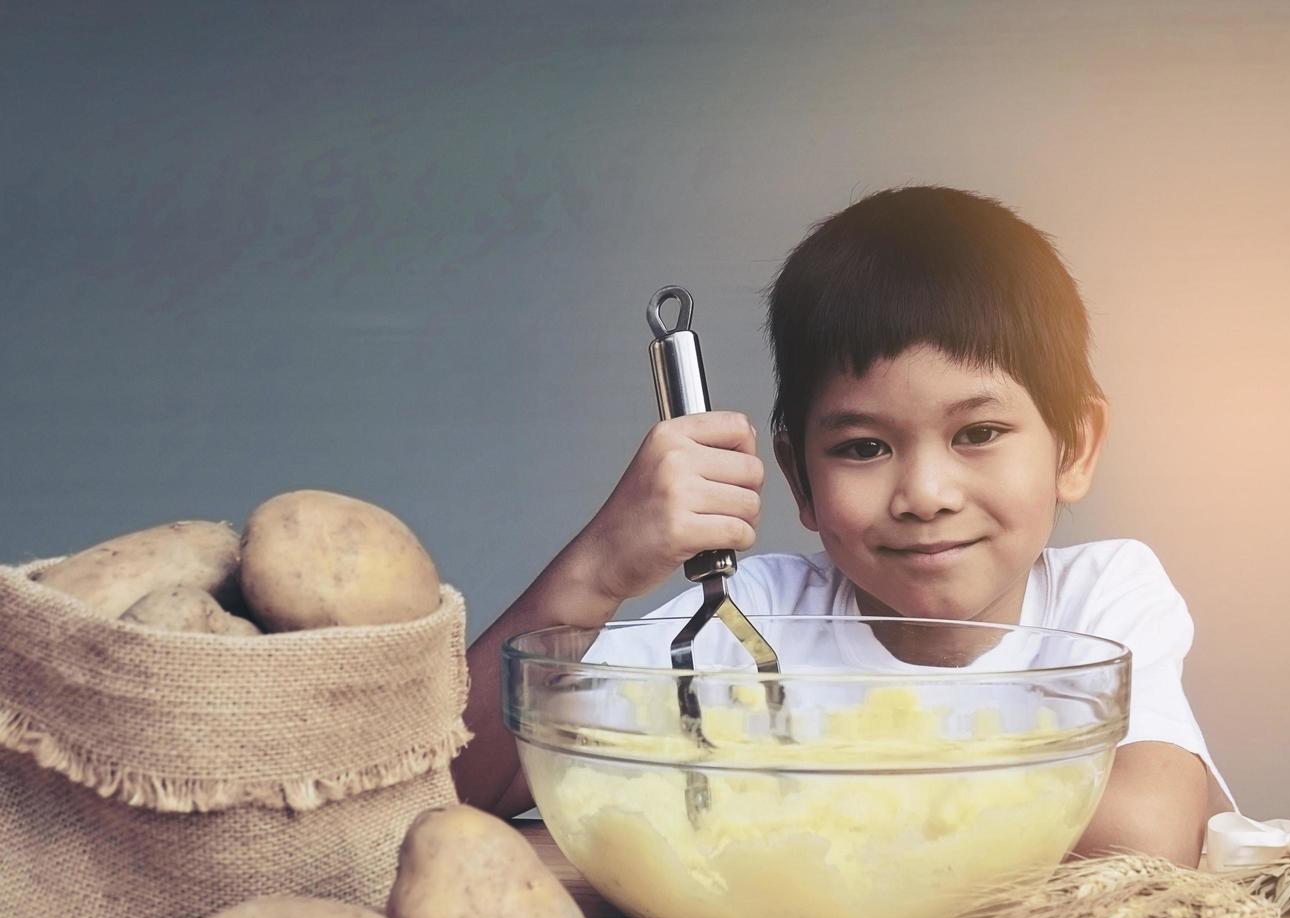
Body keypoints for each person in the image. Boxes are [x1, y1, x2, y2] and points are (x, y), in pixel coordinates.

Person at [453, 185, 1233, 866]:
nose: (925, 493)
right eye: (864, 447)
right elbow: (452, 781)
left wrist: (805, 784)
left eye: (978, 434)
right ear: (799, 478)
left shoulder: (1104, 601)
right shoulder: (747, 620)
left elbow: (1146, 835)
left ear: (1077, 446)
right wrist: (595, 572)